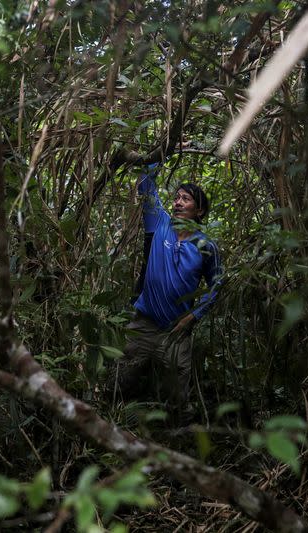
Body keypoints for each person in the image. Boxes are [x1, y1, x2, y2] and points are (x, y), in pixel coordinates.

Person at [109, 161, 222, 417]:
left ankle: (179, 436)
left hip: (175, 330)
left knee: (178, 393)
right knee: (122, 376)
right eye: (177, 197)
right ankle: (109, 417)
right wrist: (165, 147)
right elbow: (146, 181)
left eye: (186, 199)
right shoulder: (159, 223)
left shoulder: (206, 246)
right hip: (144, 323)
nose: (178, 202)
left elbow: (218, 284)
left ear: (200, 211)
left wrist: (194, 317)